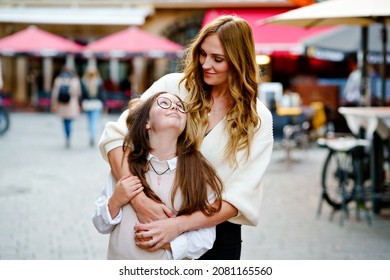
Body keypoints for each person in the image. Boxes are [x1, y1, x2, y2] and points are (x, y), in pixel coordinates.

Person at [98, 15, 274, 260]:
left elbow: (239, 196)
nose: (205, 64)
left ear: (238, 61)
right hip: (149, 222)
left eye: (218, 59)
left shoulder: (258, 118)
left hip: (216, 236)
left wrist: (178, 226)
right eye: (203, 54)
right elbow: (116, 137)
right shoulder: (173, 87)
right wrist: (139, 200)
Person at [92, 92, 223, 259]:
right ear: (147, 122)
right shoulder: (126, 167)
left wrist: (170, 241)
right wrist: (116, 200)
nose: (175, 106)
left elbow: (206, 236)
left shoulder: (198, 175)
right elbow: (100, 225)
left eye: (180, 106)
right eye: (164, 103)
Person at [51, 67, 81, 149]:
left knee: (64, 121)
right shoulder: (75, 80)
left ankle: (67, 136)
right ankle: (68, 136)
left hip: (62, 104)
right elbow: (78, 93)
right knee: (69, 121)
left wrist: (54, 104)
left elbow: (55, 94)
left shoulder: (58, 80)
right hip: (71, 104)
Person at [81, 66, 104, 147]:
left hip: (87, 104)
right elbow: (101, 95)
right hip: (96, 104)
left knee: (90, 121)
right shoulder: (99, 82)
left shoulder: (84, 82)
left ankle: (91, 135)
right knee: (93, 121)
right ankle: (92, 135)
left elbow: (82, 95)